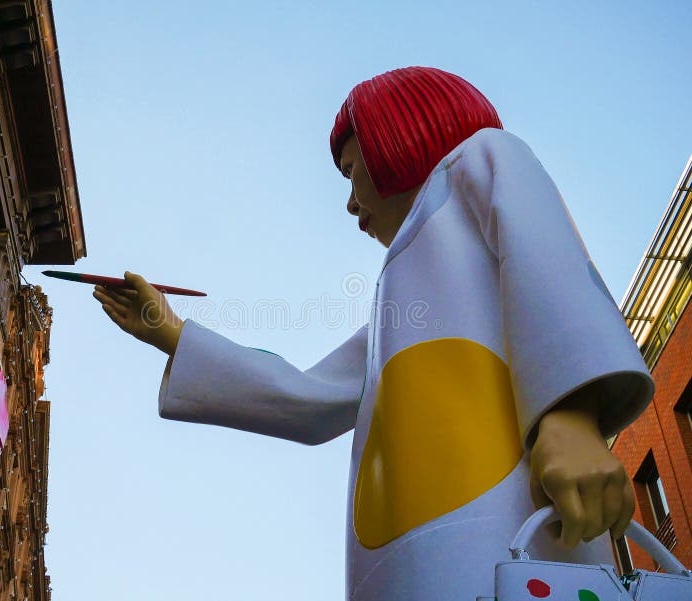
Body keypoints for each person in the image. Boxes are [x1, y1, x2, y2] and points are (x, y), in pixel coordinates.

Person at [93, 67, 654, 600]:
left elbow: (547, 261)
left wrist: (571, 415)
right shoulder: (394, 311)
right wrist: (168, 331)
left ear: (395, 135)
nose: (349, 200)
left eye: (349, 169)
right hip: (400, 565)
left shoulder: (484, 158)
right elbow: (310, 397)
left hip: (510, 525)